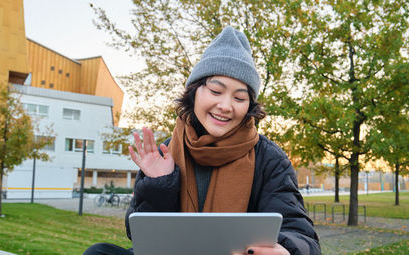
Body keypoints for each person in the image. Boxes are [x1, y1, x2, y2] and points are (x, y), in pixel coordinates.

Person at [84, 26, 320, 255]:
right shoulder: (166, 151)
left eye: (239, 97)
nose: (225, 106)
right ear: (194, 92)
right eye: (216, 92)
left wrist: (286, 250)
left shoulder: (269, 158)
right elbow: (138, 233)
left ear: (249, 106)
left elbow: (301, 233)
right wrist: (159, 183)